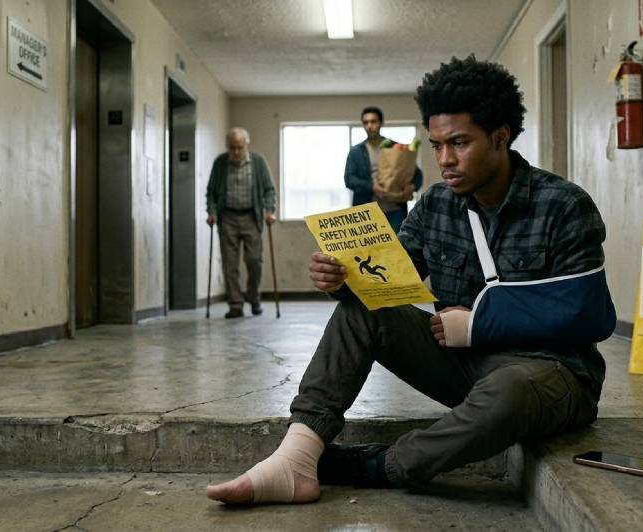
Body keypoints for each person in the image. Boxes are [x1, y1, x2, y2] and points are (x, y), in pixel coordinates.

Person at [206, 56, 615, 504]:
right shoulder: (436, 204)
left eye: (459, 143)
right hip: (468, 367)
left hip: (552, 374)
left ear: (500, 137)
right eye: (436, 145)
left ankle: (376, 466)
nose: (445, 160)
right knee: (362, 312)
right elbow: (388, 279)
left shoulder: (563, 204)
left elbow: (590, 315)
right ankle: (299, 454)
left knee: (508, 391)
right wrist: (341, 279)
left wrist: (478, 324)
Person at [206, 127, 277, 319]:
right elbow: (211, 191)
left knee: (254, 261)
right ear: (227, 146)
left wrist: (269, 211)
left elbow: (269, 189)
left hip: (251, 216)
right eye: (232, 148)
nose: (236, 152)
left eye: (239, 147)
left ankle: (254, 298)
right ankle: (235, 304)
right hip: (227, 217)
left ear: (247, 144)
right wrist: (212, 212)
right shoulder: (220, 163)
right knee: (230, 264)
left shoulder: (258, 162)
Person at [344, 106, 424, 234]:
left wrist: (412, 186)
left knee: (397, 245)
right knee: (369, 247)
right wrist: (372, 187)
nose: (369, 126)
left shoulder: (396, 147)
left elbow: (417, 174)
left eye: (373, 121)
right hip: (366, 213)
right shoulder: (356, 152)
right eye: (366, 122)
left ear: (381, 123)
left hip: (395, 210)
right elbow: (349, 180)